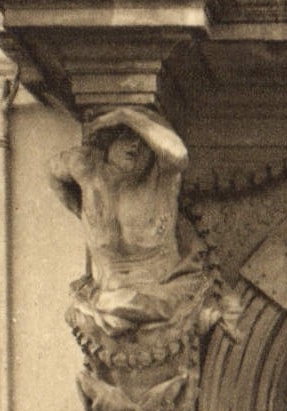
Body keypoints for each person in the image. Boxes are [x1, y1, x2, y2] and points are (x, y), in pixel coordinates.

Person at [50, 108, 202, 336]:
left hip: (160, 298)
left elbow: (179, 155)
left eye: (142, 140)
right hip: (105, 295)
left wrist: (125, 116)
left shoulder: (162, 178)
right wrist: (80, 211)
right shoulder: (88, 173)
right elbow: (53, 172)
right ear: (106, 144)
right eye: (125, 137)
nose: (134, 146)